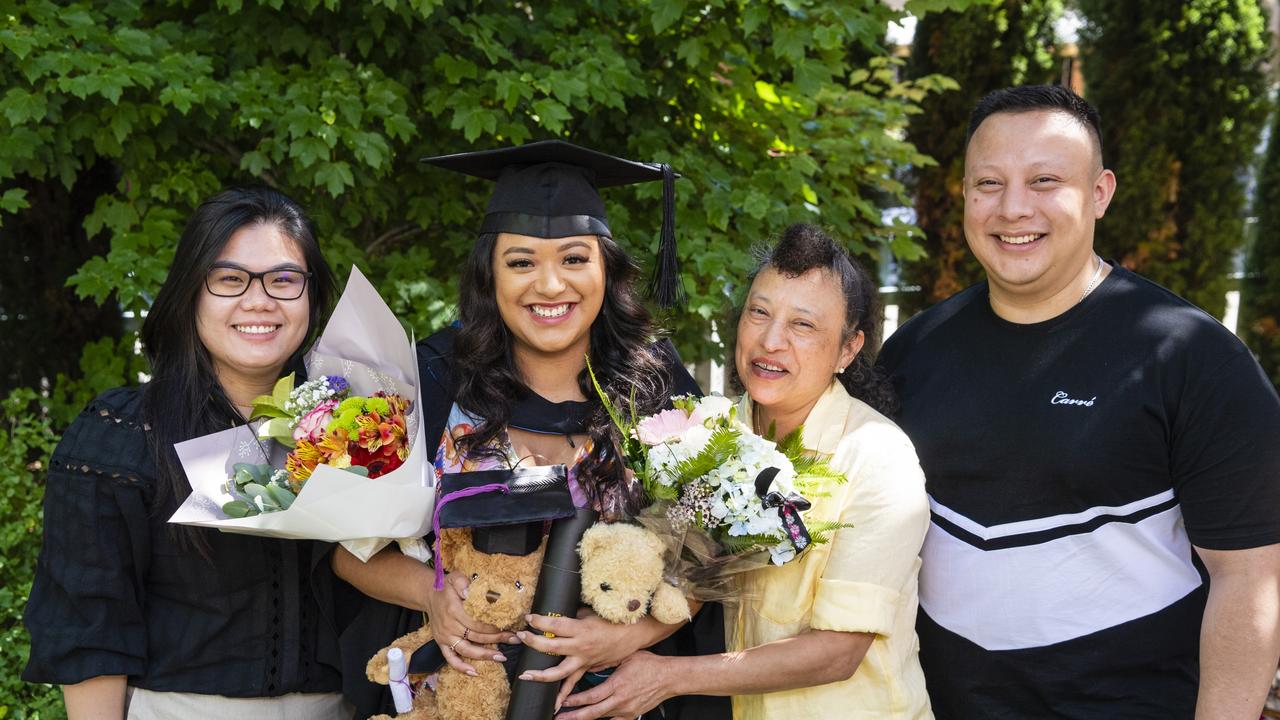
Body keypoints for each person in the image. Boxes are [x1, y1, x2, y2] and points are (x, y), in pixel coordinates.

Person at [877, 84, 1280, 719]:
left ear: (1099, 194)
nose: (1013, 208)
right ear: (963, 194)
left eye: (1044, 181)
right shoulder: (910, 354)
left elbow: (1251, 579)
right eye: (988, 183)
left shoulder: (1191, 357)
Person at [331, 141, 730, 719]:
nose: (549, 285)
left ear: (606, 268)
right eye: (521, 262)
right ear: (489, 274)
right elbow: (348, 553)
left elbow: (715, 552)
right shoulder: (436, 377)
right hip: (455, 698)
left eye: (574, 259)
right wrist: (432, 595)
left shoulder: (652, 380)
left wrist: (631, 634)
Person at [555, 223, 934, 720]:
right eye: (759, 312)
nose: (770, 340)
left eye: (803, 325)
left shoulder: (878, 457)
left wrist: (667, 679)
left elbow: (838, 652)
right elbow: (685, 578)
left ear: (848, 349)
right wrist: (613, 633)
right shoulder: (708, 430)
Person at [23, 187, 348, 718]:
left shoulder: (349, 427)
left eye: (285, 280)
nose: (259, 300)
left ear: (311, 297)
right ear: (189, 293)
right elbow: (90, 628)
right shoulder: (126, 434)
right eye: (229, 279)